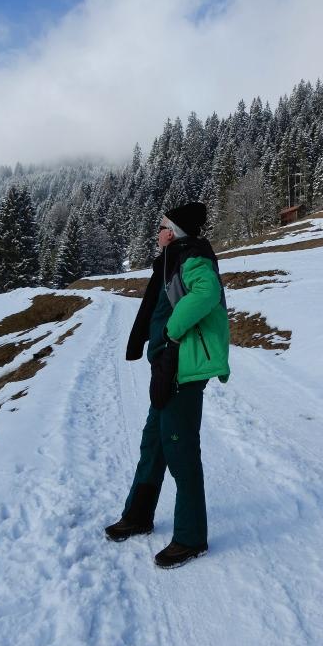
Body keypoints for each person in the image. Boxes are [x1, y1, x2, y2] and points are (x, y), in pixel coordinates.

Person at [105, 201, 230, 569]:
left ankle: (191, 537)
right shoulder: (172, 259)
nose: (158, 232)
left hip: (183, 369)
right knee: (154, 444)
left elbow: (206, 294)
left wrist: (173, 330)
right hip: (167, 367)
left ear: (174, 232)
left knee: (180, 451)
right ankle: (138, 515)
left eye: (162, 226)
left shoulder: (192, 257)